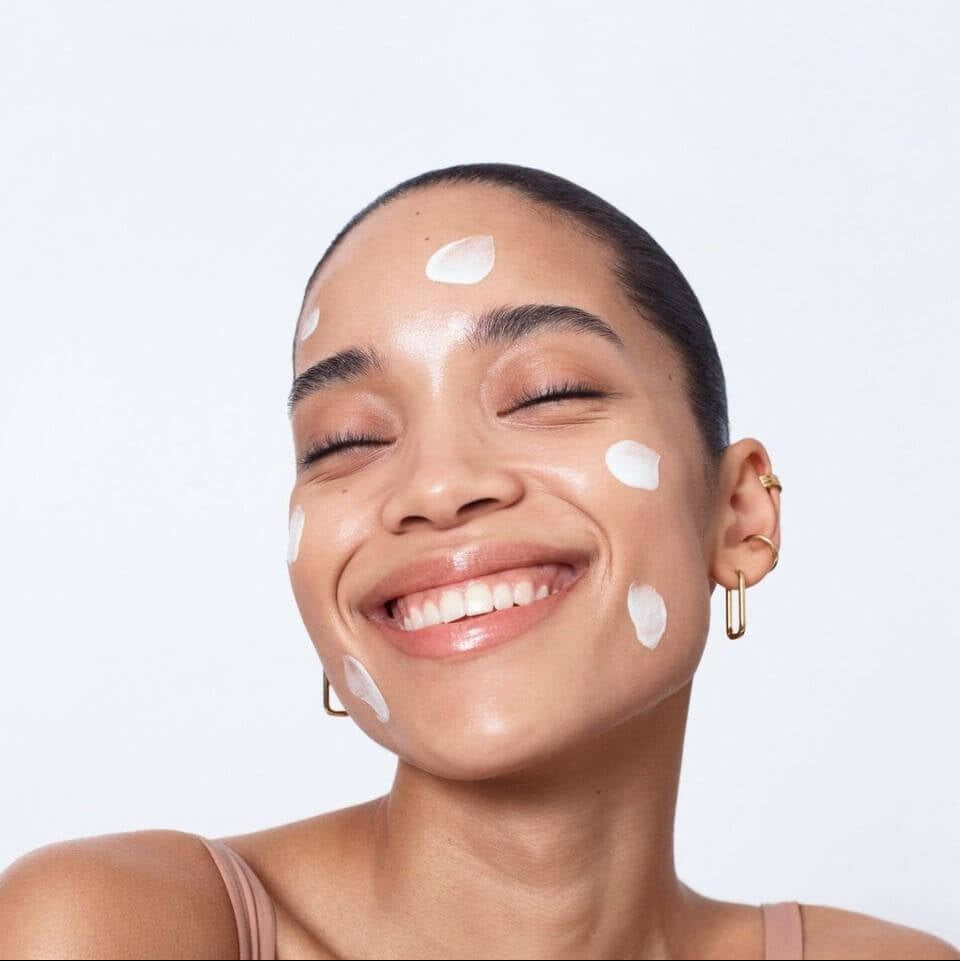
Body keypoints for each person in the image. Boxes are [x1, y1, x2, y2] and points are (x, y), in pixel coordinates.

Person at [1, 163, 956, 960]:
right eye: (343, 441)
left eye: (550, 391)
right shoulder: (120, 930)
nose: (436, 485)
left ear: (740, 514)